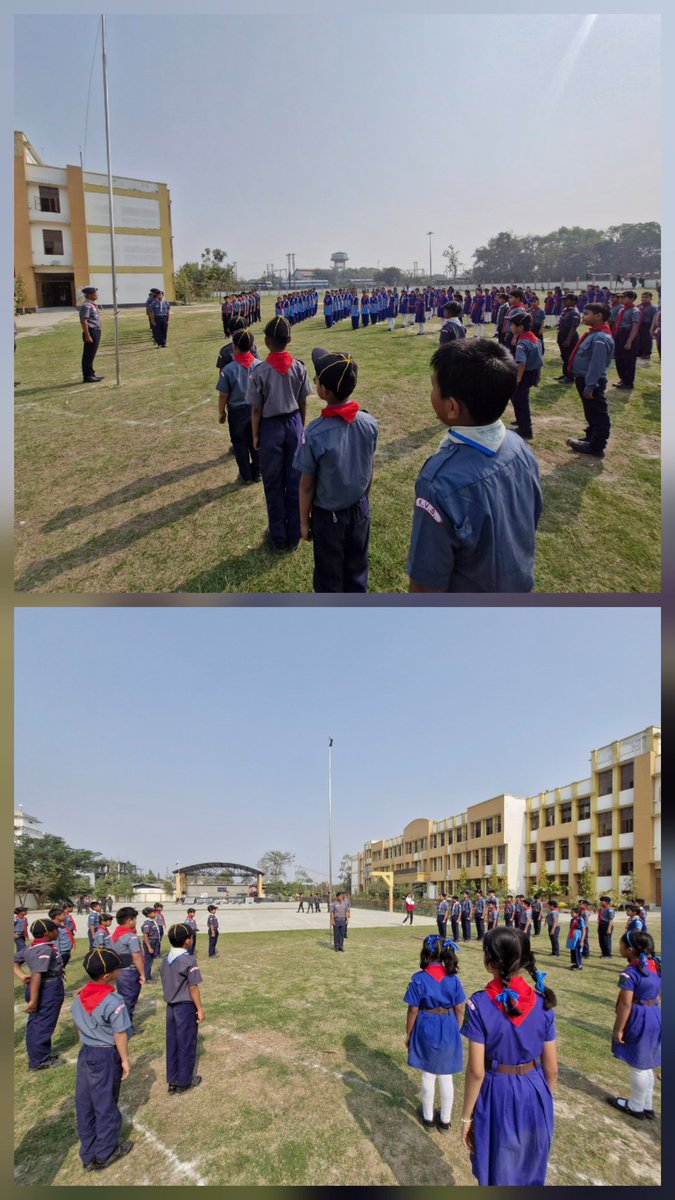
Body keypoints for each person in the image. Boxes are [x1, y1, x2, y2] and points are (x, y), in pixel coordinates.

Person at [407, 340, 543, 593]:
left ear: (452, 407)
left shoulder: (439, 482)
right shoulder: (519, 446)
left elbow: (426, 585)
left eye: (434, 387)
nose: (431, 393)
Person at [460, 926, 558, 1186]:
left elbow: (476, 1071)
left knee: (497, 1169)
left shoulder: (479, 1004)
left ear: (489, 962)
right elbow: (552, 1069)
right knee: (530, 1167)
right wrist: (545, 1099)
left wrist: (466, 1117)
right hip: (536, 1089)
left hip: (497, 1092)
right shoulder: (543, 1001)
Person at [295, 348, 378, 593]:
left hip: (328, 517)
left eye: (316, 378)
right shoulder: (368, 422)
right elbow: (369, 464)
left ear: (323, 391)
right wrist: (365, 498)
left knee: (329, 576)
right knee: (357, 568)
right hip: (359, 508)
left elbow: (307, 484)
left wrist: (303, 522)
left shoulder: (315, 433)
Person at [249, 316, 311, 554]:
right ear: (290, 340)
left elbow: (256, 408)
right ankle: (294, 534)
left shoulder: (259, 371)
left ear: (266, 341)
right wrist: (300, 427)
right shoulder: (299, 367)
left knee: (273, 483)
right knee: (295, 481)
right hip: (294, 422)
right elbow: (303, 401)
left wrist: (256, 435)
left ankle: (278, 536)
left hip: (270, 427)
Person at [70, 946, 133, 1171]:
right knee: (105, 1102)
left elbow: (79, 1026)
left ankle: (88, 1151)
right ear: (107, 976)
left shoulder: (80, 996)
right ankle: (106, 1152)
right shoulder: (113, 1001)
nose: (120, 970)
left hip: (86, 1051)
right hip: (106, 1054)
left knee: (85, 1102)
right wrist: (124, 1059)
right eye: (118, 968)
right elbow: (119, 1033)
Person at [404, 935, 465, 1131]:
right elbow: (460, 1008)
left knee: (428, 1074)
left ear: (425, 952)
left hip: (425, 1026)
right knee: (446, 1076)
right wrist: (456, 1027)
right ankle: (445, 1120)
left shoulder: (419, 979)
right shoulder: (453, 979)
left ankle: (428, 1118)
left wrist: (409, 1033)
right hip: (448, 1024)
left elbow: (413, 1009)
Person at [608, 930, 661, 1120]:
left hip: (640, 1016)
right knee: (647, 1064)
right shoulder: (657, 965)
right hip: (655, 1012)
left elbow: (625, 1003)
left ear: (630, 949)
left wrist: (619, 1029)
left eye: (621, 945)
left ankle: (636, 1106)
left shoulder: (631, 973)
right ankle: (647, 1104)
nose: (619, 948)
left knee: (638, 1064)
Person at [159, 923, 205, 1094]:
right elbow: (193, 987)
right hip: (185, 1007)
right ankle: (184, 1081)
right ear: (187, 941)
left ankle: (172, 1079)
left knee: (173, 1043)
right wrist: (199, 1008)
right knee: (186, 1042)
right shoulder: (188, 960)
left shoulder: (166, 960)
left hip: (170, 1008)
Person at [565, 302, 615, 459]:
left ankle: (596, 445)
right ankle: (591, 437)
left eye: (586, 313)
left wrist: (590, 385)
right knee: (591, 411)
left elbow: (597, 364)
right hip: (584, 379)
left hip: (591, 380)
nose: (583, 316)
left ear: (599, 316)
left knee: (598, 413)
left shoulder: (600, 338)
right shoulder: (594, 334)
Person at [217, 328, 262, 485]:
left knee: (239, 444)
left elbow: (223, 395)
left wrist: (221, 412)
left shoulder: (229, 370)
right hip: (257, 410)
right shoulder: (260, 365)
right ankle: (257, 472)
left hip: (237, 413)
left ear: (234, 348)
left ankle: (246, 476)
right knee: (256, 441)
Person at [23, 918, 66, 1070]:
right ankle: (39, 1060)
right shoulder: (44, 950)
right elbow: (36, 974)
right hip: (47, 988)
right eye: (55, 929)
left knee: (38, 1021)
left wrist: (22, 976)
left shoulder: (31, 947)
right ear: (47, 933)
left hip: (41, 986)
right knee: (43, 1022)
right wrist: (34, 1000)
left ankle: (41, 1054)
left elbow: (15, 961)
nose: (57, 932)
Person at [508, 313, 543, 441]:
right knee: (522, 398)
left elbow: (521, 363)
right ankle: (522, 421)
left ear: (520, 327)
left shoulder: (522, 343)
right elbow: (540, 359)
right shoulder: (535, 339)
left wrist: (517, 379)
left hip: (524, 375)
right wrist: (538, 376)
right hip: (533, 372)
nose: (511, 327)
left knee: (519, 400)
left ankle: (525, 429)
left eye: (512, 325)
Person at [111, 907, 146, 1032]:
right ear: (130, 920)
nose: (136, 922)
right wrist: (142, 974)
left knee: (124, 998)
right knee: (129, 1000)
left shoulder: (116, 934)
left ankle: (124, 1024)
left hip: (120, 971)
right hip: (130, 972)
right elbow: (136, 956)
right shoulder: (131, 937)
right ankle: (126, 1027)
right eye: (135, 919)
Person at [611, 290, 641, 389]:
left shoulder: (635, 311)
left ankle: (628, 382)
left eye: (624, 297)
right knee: (619, 358)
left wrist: (629, 341)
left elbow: (635, 327)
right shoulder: (621, 309)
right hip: (619, 334)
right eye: (621, 297)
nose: (621, 299)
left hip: (628, 334)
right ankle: (623, 379)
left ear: (632, 299)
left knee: (628, 359)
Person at [79, 285, 104, 383]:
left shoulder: (92, 304)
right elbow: (84, 321)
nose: (97, 295)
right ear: (90, 295)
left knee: (92, 354)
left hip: (96, 330)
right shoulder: (86, 306)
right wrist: (87, 335)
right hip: (91, 331)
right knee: (88, 355)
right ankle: (87, 376)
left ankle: (91, 373)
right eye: (95, 293)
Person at [555, 295, 580, 381]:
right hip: (562, 334)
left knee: (569, 357)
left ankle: (570, 376)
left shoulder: (574, 312)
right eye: (564, 300)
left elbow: (573, 327)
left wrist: (568, 340)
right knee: (564, 356)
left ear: (573, 302)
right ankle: (565, 374)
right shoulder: (565, 310)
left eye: (567, 300)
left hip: (569, 336)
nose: (564, 302)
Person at [140, 907, 160, 982]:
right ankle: (147, 977)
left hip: (154, 943)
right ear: (148, 914)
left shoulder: (152, 922)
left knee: (150, 960)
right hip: (150, 943)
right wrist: (149, 948)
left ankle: (148, 976)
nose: (155, 913)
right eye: (153, 912)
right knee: (148, 960)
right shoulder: (147, 923)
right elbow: (145, 935)